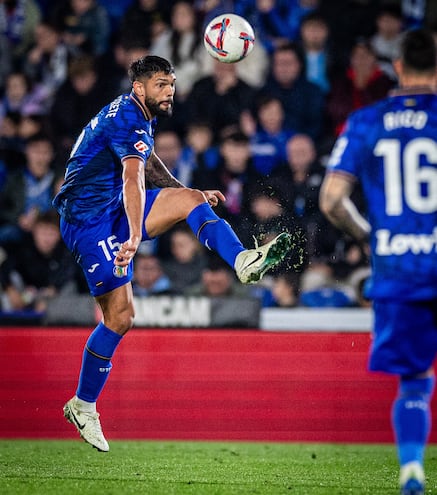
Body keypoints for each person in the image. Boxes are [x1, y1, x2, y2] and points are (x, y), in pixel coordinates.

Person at [53, 55, 292, 452]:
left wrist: (184, 193)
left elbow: (146, 164)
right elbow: (132, 178)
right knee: (120, 317)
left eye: (173, 83)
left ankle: (242, 260)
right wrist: (133, 236)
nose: (170, 91)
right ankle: (83, 404)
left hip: (109, 208)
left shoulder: (136, 113)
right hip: (87, 223)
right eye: (161, 84)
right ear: (140, 87)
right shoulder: (128, 118)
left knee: (192, 199)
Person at [319, 28, 437, 495]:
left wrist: (372, 238)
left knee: (413, 380)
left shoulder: (367, 121)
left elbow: (331, 201)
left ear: (399, 67)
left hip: (398, 269)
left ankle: (412, 469)